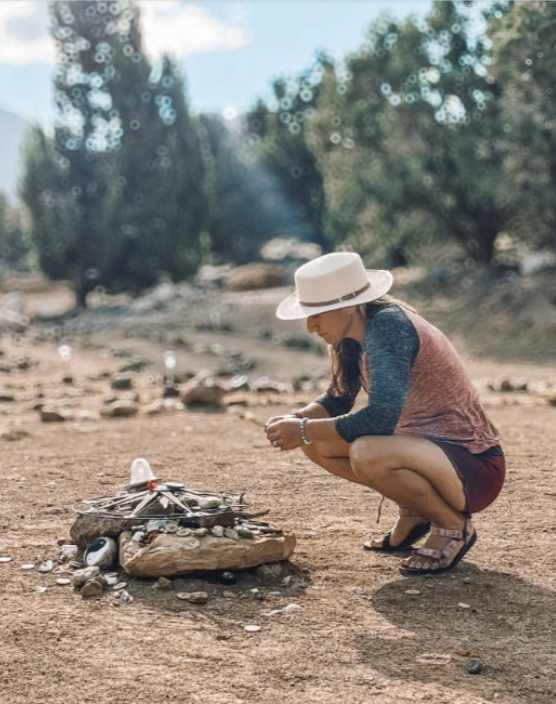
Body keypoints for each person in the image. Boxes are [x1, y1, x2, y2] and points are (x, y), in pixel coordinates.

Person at [265, 252, 505, 577]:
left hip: (474, 467)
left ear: (349, 304)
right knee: (315, 443)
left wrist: (304, 427)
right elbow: (338, 399)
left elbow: (380, 419)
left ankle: (452, 526)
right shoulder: (351, 336)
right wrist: (295, 420)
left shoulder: (389, 326)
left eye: (317, 314)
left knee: (366, 451)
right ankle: (415, 512)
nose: (310, 327)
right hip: (426, 455)